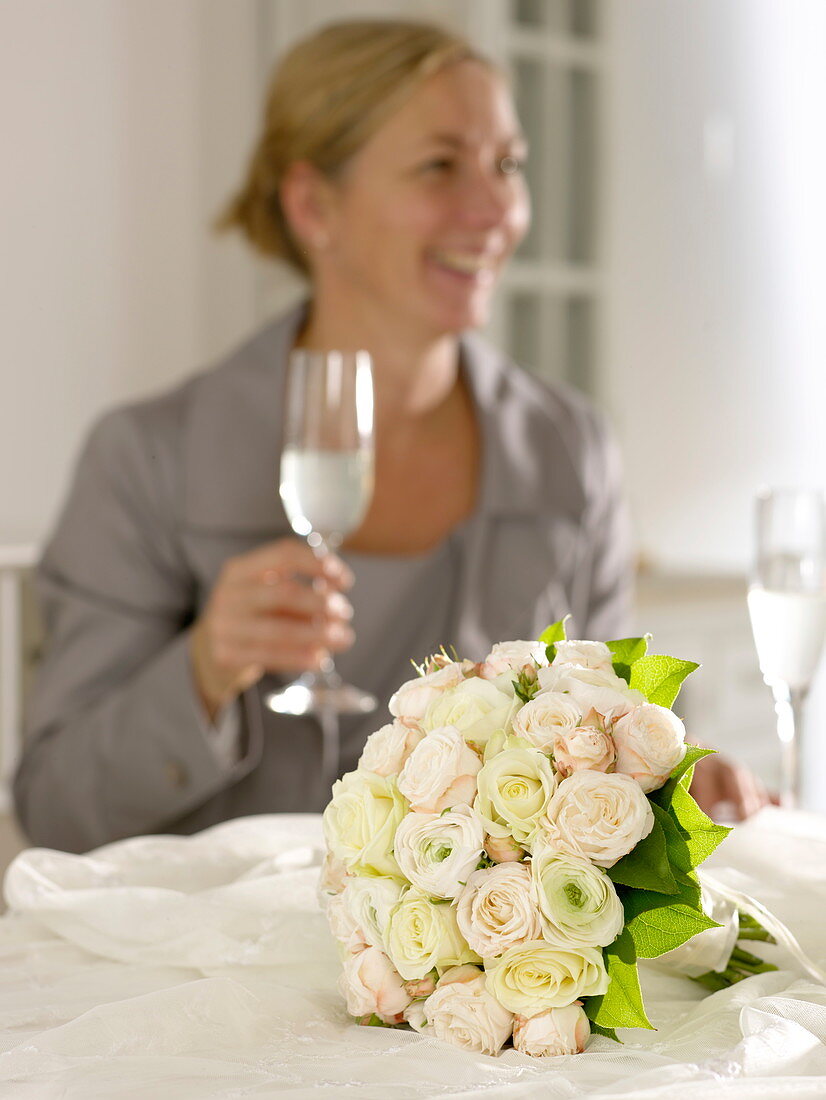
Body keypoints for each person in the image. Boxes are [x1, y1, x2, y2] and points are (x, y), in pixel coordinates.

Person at [13, 19, 765, 854]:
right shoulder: (147, 459)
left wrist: (683, 778)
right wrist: (202, 671)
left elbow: (619, 740)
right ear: (313, 206)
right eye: (440, 166)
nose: (497, 210)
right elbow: (54, 808)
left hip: (469, 976)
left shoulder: (570, 450)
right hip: (211, 959)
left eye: (508, 165)